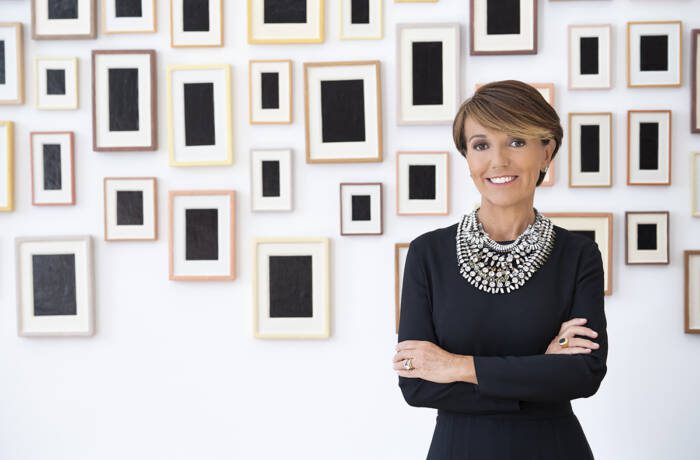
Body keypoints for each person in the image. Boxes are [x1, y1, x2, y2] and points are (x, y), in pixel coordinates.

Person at [392, 80, 608, 459]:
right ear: (468, 158)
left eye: (517, 141)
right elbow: (417, 385)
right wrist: (539, 373)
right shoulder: (428, 254)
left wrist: (455, 366)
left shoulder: (578, 255)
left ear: (547, 152)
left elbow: (583, 373)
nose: (498, 161)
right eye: (481, 145)